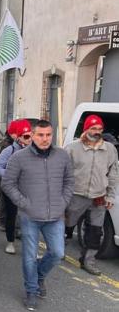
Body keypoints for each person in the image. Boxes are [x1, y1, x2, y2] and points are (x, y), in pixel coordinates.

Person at [1, 120, 74, 311]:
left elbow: (69, 182)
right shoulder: (19, 157)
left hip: (55, 216)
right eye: (40, 135)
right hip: (30, 217)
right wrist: (25, 204)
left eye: (48, 135)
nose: (45, 139)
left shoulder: (62, 156)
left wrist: (63, 203)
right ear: (32, 136)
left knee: (57, 253)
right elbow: (8, 183)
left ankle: (39, 275)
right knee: (28, 257)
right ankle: (31, 290)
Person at [64, 115, 119, 276]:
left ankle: (88, 260)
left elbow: (113, 174)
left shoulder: (109, 149)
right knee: (67, 225)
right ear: (86, 129)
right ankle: (59, 248)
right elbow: (63, 173)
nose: (96, 132)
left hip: (98, 197)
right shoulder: (72, 148)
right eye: (93, 128)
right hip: (76, 195)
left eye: (99, 129)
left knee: (95, 231)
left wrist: (110, 196)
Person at [0, 119, 32, 254]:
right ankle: (10, 242)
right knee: (12, 215)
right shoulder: (9, 150)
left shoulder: (37, 151)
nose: (29, 140)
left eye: (31, 136)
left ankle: (31, 247)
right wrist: (11, 175)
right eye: (26, 136)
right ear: (19, 137)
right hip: (12, 189)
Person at [0, 120, 20, 229]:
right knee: (3, 199)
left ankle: (14, 222)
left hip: (17, 179)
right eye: (16, 133)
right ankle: (2, 221)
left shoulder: (22, 144)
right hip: (3, 177)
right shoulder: (3, 145)